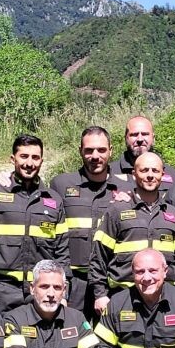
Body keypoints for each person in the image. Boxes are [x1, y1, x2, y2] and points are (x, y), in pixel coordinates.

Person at [0, 134, 70, 311]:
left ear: (42, 161)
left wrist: (64, 294)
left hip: (39, 292)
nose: (29, 163)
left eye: (35, 157)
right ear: (13, 159)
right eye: (24, 156)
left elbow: (62, 252)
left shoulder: (54, 201)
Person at [88, 152, 175, 313]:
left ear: (162, 175)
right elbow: (99, 256)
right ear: (134, 175)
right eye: (144, 170)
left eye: (155, 171)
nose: (150, 175)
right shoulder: (116, 210)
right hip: (122, 298)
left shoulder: (172, 214)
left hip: (163, 300)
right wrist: (100, 294)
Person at [50, 126, 129, 318]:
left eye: (101, 150)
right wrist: (8, 179)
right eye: (89, 150)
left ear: (111, 150)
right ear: (80, 151)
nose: (95, 156)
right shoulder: (60, 184)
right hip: (73, 282)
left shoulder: (128, 187)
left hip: (110, 283)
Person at [109, 115, 175, 192]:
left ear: (153, 138)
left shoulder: (171, 174)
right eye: (134, 134)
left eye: (145, 134)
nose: (140, 139)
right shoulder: (110, 172)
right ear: (126, 138)